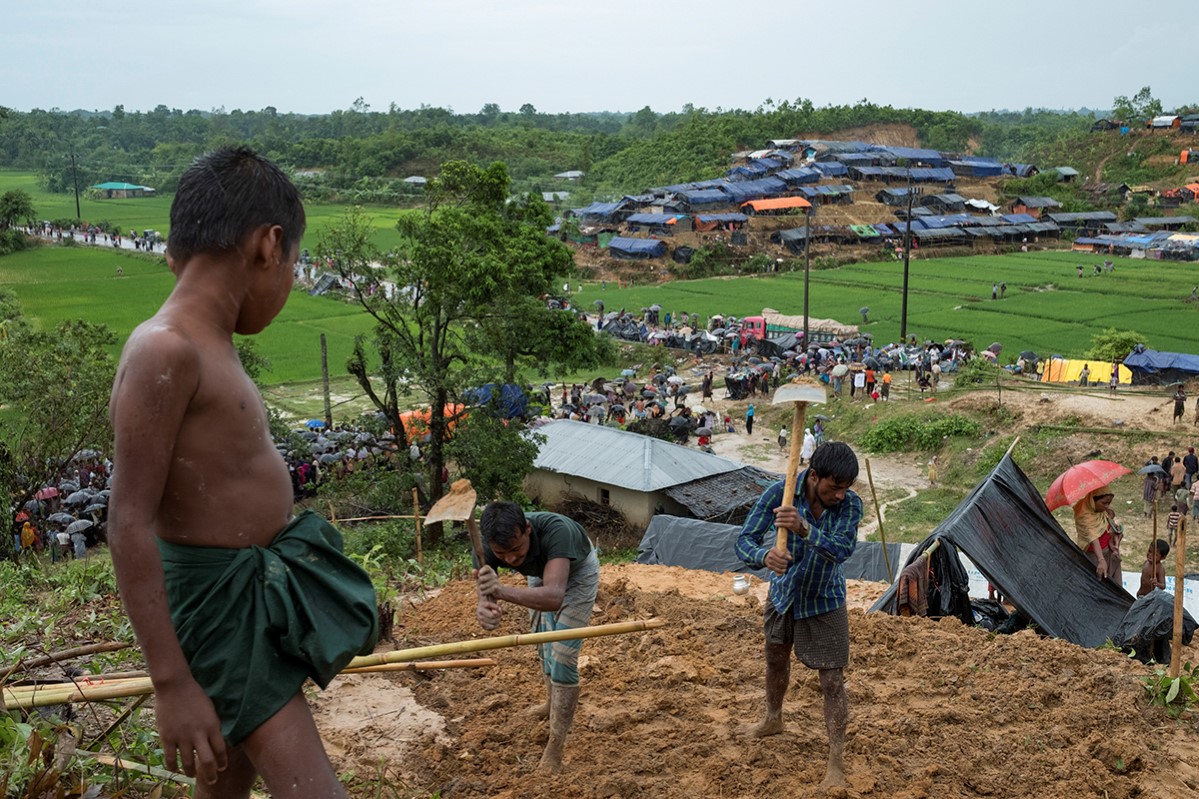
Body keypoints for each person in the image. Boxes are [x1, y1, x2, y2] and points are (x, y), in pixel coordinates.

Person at [108, 148, 379, 798]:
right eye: (294, 267)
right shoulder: (165, 350)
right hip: (222, 612)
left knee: (225, 783)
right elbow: (128, 520)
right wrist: (172, 683)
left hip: (248, 599)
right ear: (269, 244)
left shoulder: (211, 341)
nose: (289, 282)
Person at [735, 442, 863, 790]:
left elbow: (841, 551)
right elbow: (743, 540)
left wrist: (805, 528)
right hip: (783, 593)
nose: (840, 495)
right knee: (775, 659)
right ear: (815, 476)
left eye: (845, 488)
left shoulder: (850, 505)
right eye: (833, 487)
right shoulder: (781, 493)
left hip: (825, 598)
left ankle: (836, 759)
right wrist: (764, 557)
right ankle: (773, 718)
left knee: (832, 681)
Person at [475, 502, 599, 773]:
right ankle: (549, 702)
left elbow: (554, 596)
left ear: (528, 530)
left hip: (576, 573)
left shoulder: (558, 532)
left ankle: (556, 745)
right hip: (540, 574)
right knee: (541, 641)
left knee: (563, 655)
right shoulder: (486, 546)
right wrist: (485, 608)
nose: (510, 560)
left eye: (516, 549)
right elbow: (486, 591)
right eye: (501, 554)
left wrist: (502, 592)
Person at [1072, 489, 1122, 582]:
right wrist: (1101, 560)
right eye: (1104, 503)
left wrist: (1114, 539)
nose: (1107, 506)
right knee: (1099, 587)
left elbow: (1109, 526)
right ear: (1092, 500)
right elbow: (1093, 538)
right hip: (1095, 557)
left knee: (1115, 589)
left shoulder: (1101, 511)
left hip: (1110, 552)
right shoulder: (1084, 515)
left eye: (1109, 503)